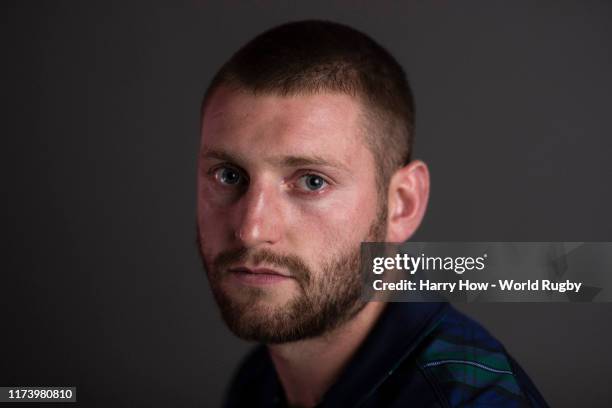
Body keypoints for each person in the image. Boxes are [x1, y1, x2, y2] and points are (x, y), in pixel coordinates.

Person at [196, 20, 548, 407]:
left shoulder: (469, 400)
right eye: (228, 175)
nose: (251, 228)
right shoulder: (258, 382)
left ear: (402, 204)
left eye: (312, 181)